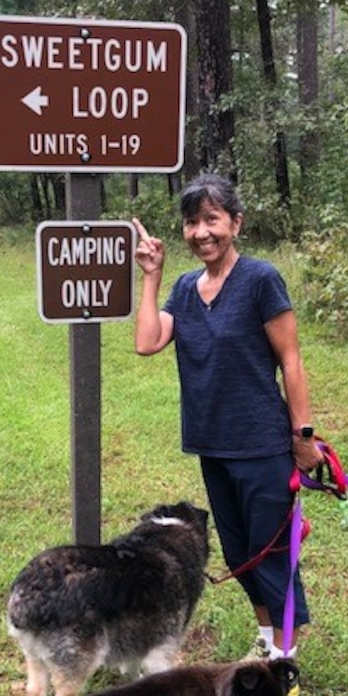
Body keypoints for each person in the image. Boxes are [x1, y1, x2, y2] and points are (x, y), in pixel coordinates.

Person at [134, 173, 323, 661]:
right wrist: (151, 276)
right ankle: (266, 643)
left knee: (272, 555)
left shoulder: (260, 280)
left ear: (235, 223)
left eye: (212, 219)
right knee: (241, 556)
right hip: (212, 444)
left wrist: (303, 437)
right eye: (192, 222)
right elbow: (147, 342)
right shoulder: (183, 287)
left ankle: (285, 660)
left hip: (261, 445)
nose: (201, 232)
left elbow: (292, 361)